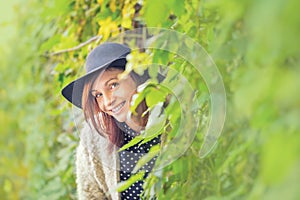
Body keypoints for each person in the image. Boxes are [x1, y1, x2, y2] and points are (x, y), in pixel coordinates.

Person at [61, 42, 162, 200]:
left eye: (113, 85)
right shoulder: (94, 138)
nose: (107, 101)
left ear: (136, 76)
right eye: (98, 95)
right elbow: (91, 195)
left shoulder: (169, 115)